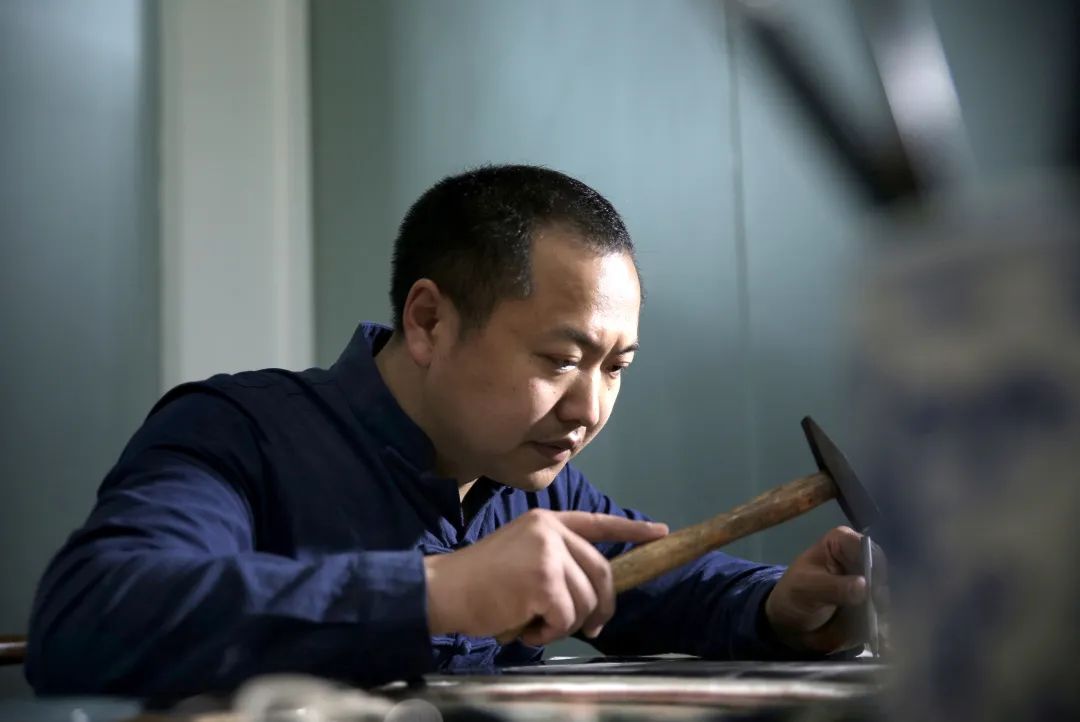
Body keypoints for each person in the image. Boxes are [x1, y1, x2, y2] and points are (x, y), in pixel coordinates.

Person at [27, 165, 875, 699]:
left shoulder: (527, 480)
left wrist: (780, 606)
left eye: (615, 367)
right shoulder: (241, 432)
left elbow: (660, 586)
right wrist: (438, 590)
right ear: (429, 321)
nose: (588, 409)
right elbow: (91, 616)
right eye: (560, 359)